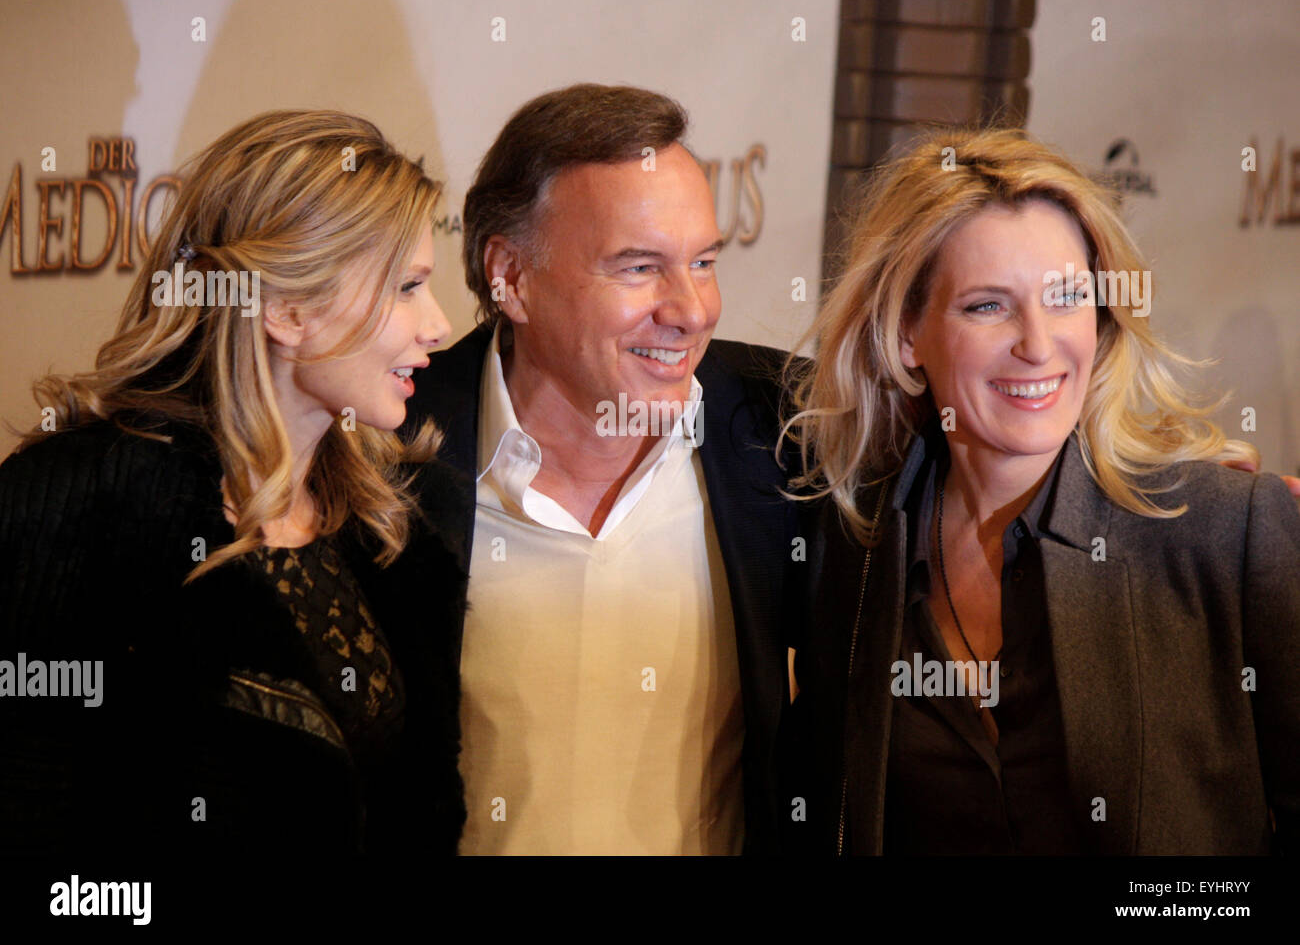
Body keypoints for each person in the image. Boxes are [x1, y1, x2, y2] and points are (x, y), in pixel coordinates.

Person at [782, 127, 1300, 855]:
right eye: (987, 306)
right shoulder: (856, 551)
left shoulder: (1229, 532)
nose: (1037, 343)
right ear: (906, 336)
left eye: (1065, 299)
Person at [0, 109, 467, 858]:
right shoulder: (78, 507)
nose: (438, 325)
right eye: (406, 287)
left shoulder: (396, 519)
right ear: (284, 310)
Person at [406, 83, 802, 854]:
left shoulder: (786, 434)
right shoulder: (385, 447)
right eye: (639, 268)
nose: (690, 309)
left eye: (704, 262)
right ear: (510, 278)